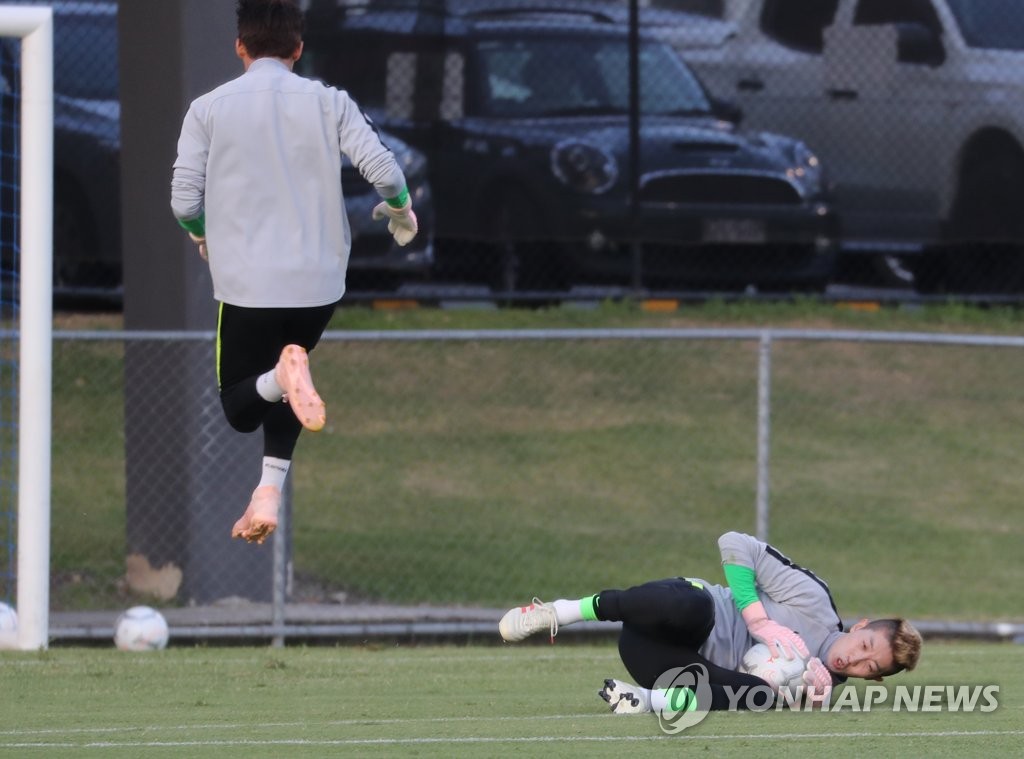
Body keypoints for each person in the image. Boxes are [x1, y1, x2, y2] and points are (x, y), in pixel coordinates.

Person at [170, 0, 417, 544]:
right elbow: (385, 169)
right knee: (290, 372)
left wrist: (200, 232)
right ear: (298, 50)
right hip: (319, 285)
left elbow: (184, 198)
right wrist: (400, 210)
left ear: (240, 46)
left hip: (249, 286)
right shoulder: (329, 102)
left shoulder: (208, 108)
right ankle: (268, 491)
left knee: (241, 404)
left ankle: (282, 377)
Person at [498, 531, 922, 713]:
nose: (856, 661)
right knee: (691, 609)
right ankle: (562, 611)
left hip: (655, 661)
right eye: (865, 647)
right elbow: (734, 543)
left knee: (760, 695)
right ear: (860, 626)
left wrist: (795, 698)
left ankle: (643, 702)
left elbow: (744, 693)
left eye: (871, 667)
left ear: (875, 680)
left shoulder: (821, 690)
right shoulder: (814, 600)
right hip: (676, 610)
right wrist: (757, 619)